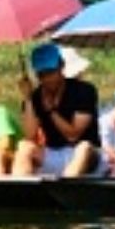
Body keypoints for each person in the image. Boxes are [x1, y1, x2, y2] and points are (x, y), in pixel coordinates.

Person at [21, 41, 103, 177]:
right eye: (42, 75)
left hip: (86, 153)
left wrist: (52, 111)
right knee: (24, 147)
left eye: (51, 73)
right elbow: (29, 135)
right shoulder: (36, 96)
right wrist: (28, 99)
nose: (47, 79)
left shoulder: (84, 91)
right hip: (53, 152)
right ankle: (19, 193)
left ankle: (66, 189)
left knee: (84, 148)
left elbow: (73, 136)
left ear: (61, 67)